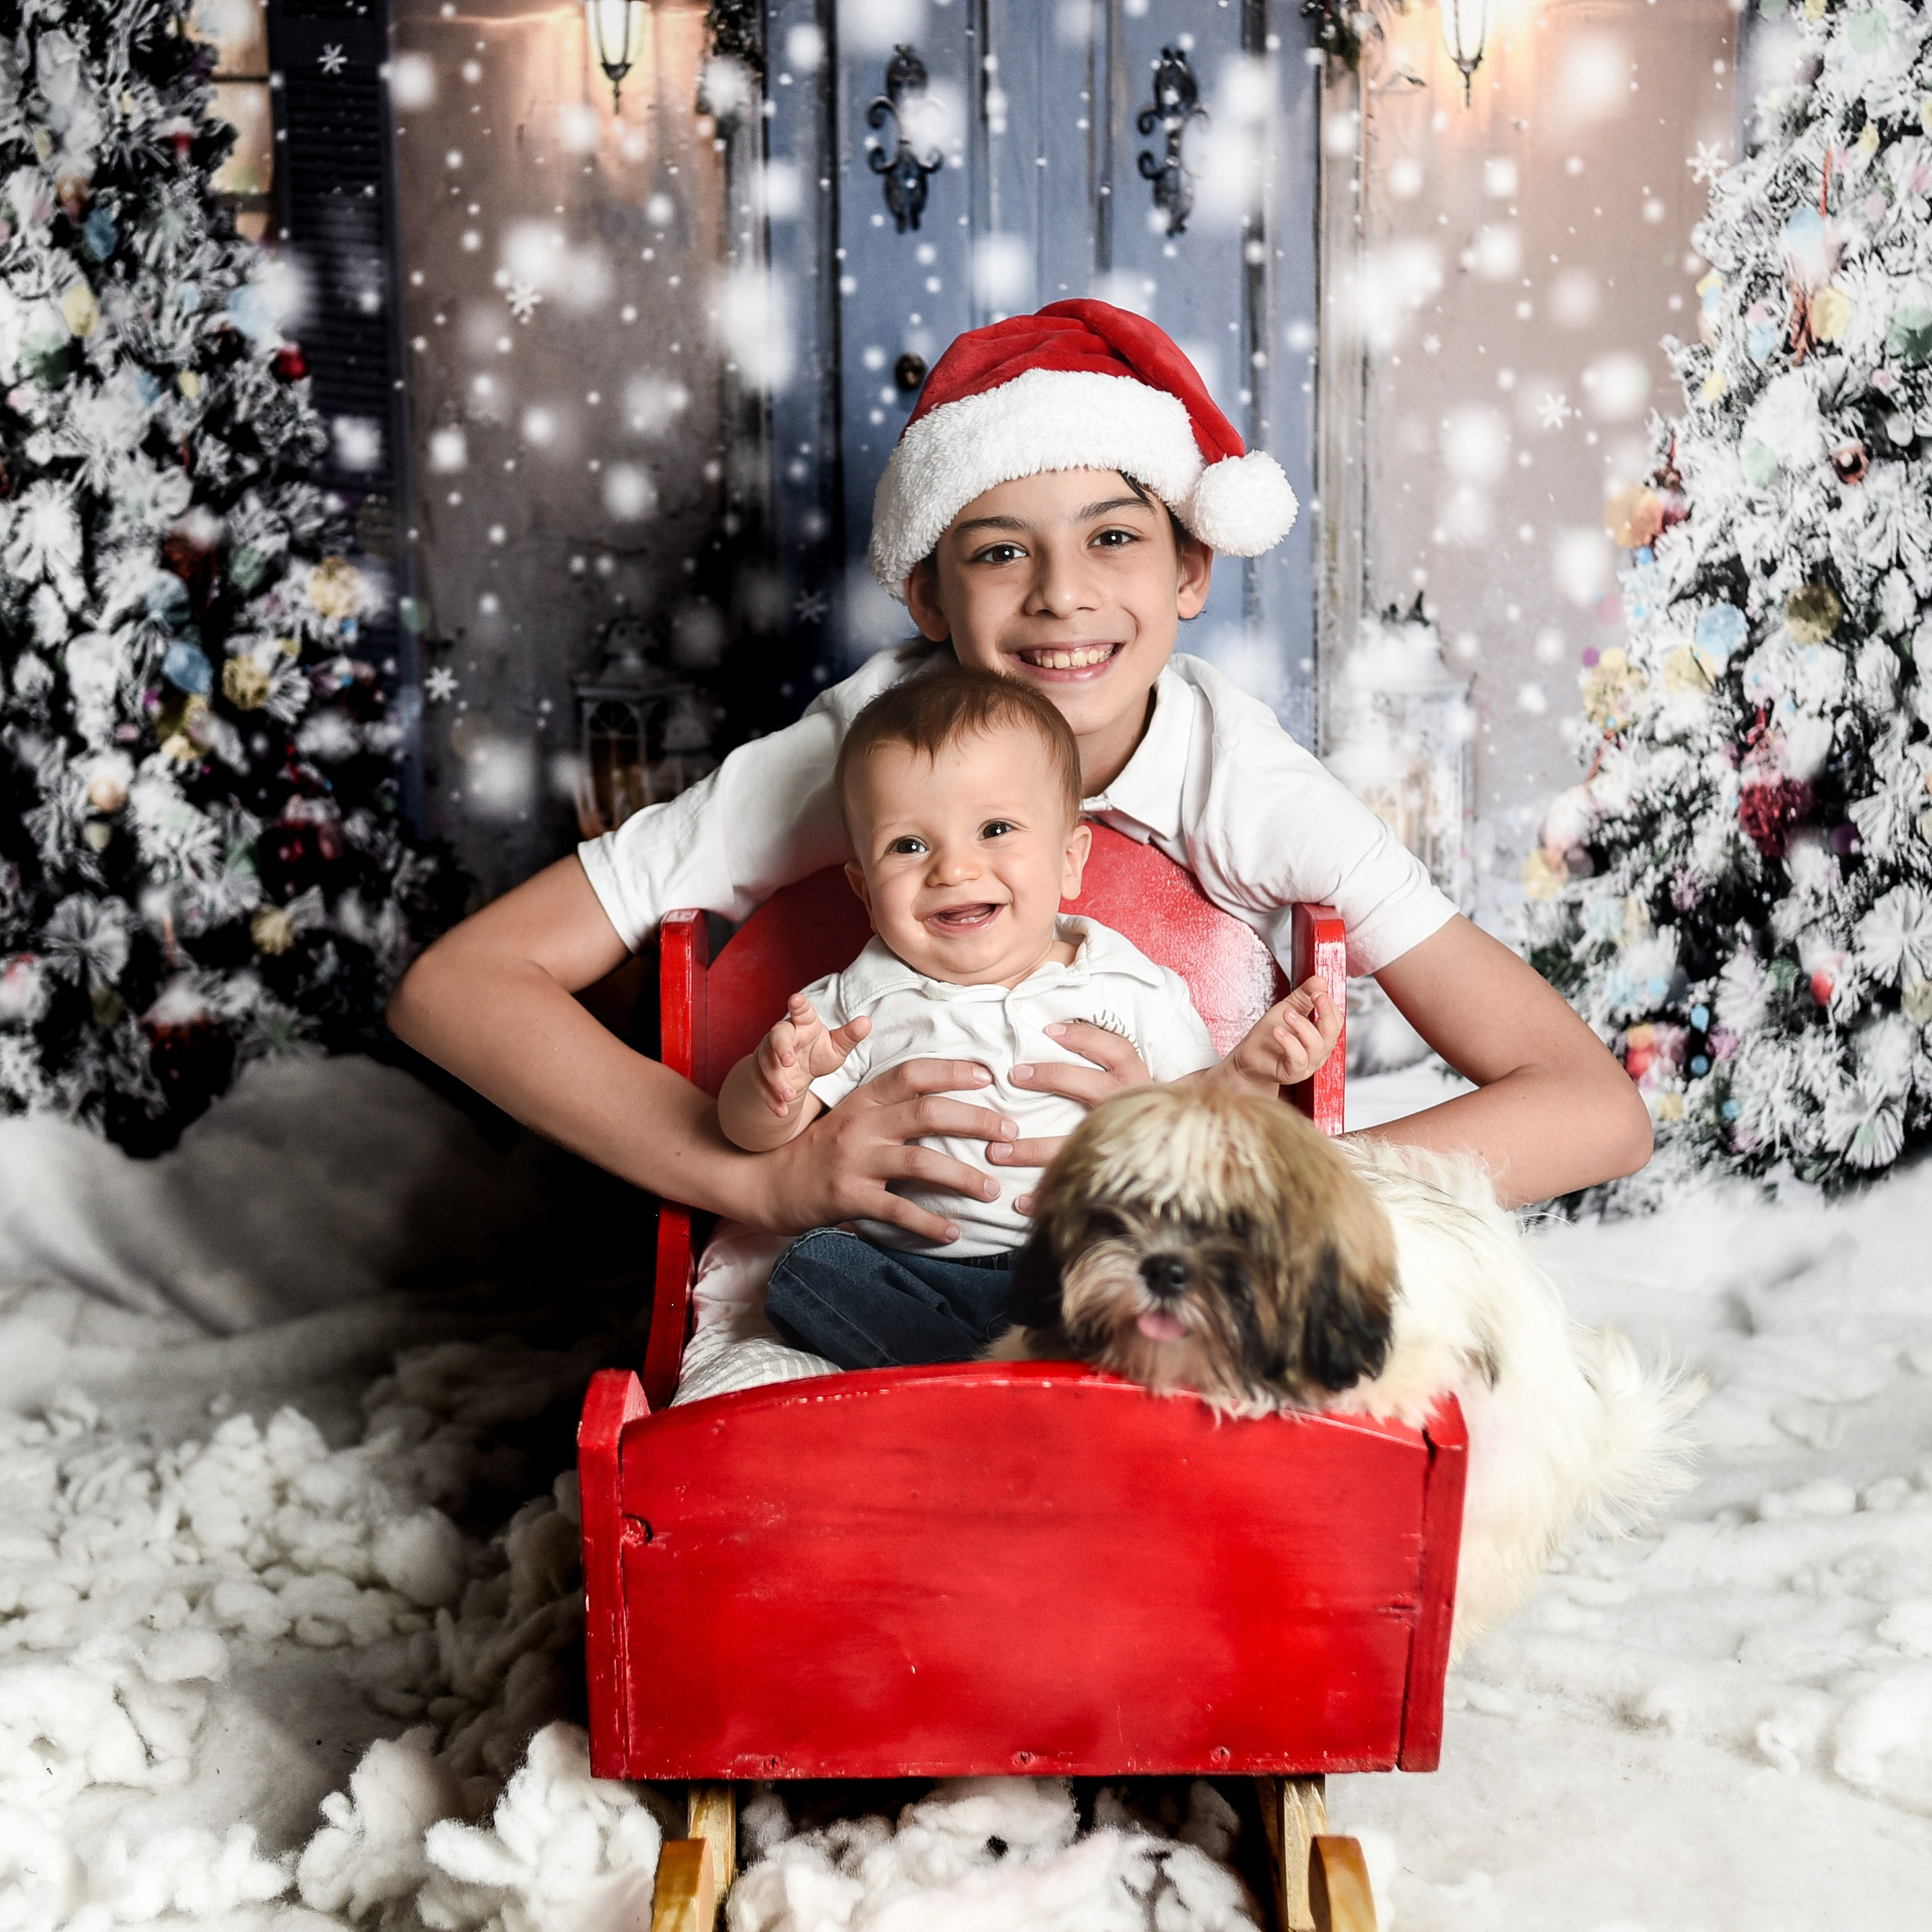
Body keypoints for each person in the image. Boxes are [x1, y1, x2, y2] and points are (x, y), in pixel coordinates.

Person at [388, 300, 1650, 1241]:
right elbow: (457, 986)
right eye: (1000, 553)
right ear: (928, 594)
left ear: (1191, 570)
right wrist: (755, 1177)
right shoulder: (853, 754)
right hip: (914, 1249)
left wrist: (1243, 1174)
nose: (1063, 597)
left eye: (1114, 536)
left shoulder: (1247, 779)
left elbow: (1592, 1106)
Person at [714, 666, 1341, 1368]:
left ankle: (1010, 1374)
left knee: (1187, 1263)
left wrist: (1251, 1073)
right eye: (908, 845)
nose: (952, 868)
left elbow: (1194, 1126)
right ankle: (980, 1379)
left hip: (1084, 1263)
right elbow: (747, 1135)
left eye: (995, 829)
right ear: (864, 889)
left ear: (1069, 860)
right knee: (809, 1270)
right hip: (918, 1274)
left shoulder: (1125, 984)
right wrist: (775, 1086)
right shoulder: (863, 999)